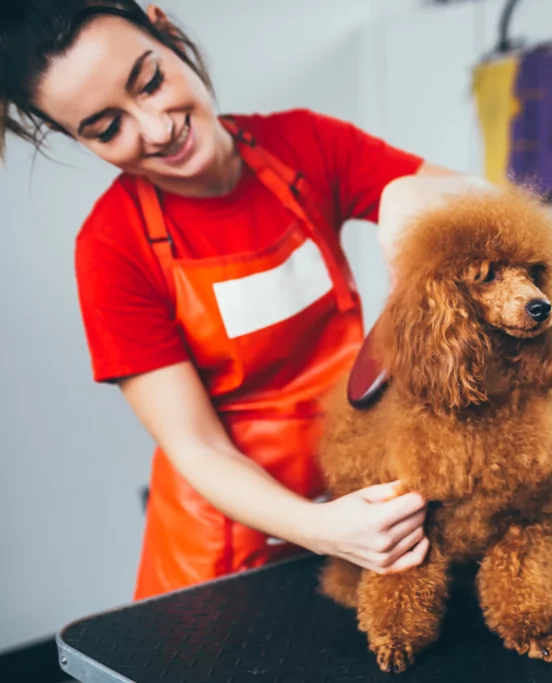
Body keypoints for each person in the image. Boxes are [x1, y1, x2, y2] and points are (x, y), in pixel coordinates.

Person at [0, 0, 465, 600]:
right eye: (107, 128)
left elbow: (471, 197)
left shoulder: (303, 143)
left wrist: (406, 202)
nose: (156, 129)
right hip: (226, 552)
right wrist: (324, 529)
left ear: (165, 32)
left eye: (150, 81)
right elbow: (196, 445)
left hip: (360, 498)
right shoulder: (111, 247)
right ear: (75, 138)